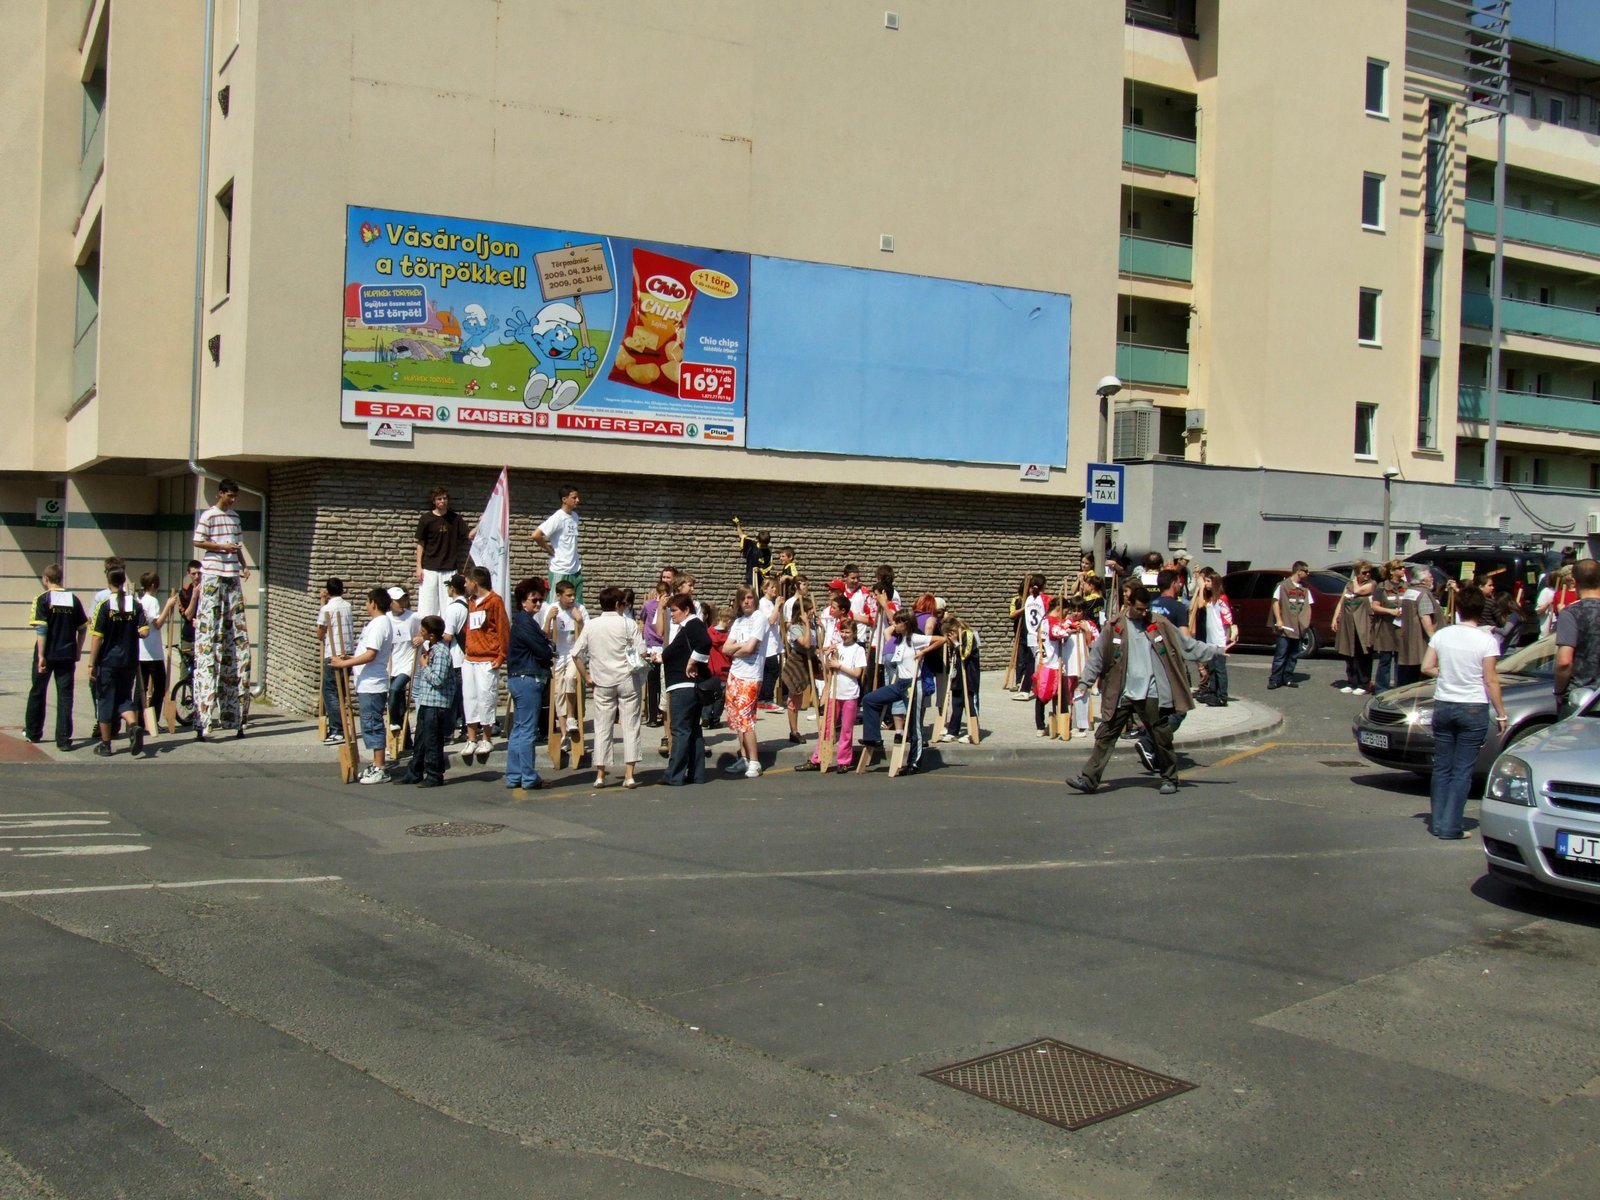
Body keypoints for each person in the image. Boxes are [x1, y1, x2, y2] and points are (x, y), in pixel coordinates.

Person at [1067, 585, 1218, 796]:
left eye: (1147, 608)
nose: (1144, 613)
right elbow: (1097, 656)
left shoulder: (1159, 623)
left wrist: (1215, 650)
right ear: (1129, 605)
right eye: (1140, 609)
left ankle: (1170, 778)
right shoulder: (1115, 626)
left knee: (1161, 736)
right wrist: (1085, 682)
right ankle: (1089, 779)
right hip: (1122, 691)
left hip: (1152, 691)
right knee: (1106, 735)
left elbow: (1185, 644)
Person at [1421, 585, 1506, 841]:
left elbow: (1427, 667)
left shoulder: (1442, 635)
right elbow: (1490, 680)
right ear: (1481, 610)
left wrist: (1447, 673)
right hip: (1472, 705)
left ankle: (1438, 822)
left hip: (1444, 703)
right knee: (1462, 770)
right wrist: (1501, 713)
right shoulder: (1486, 640)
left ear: (1457, 608)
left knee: (1442, 767)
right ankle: (1451, 825)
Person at [191, 477, 252, 738]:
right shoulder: (209, 515)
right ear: (220, 494)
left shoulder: (235, 517)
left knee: (236, 639)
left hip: (231, 574)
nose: (233, 500)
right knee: (210, 638)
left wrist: (243, 564)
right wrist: (220, 546)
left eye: (235, 496)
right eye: (229, 495)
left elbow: (237, 545)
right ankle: (204, 715)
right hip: (214, 573)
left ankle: (234, 715)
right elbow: (198, 541)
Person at [572, 586, 646, 788]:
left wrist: (586, 676)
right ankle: (629, 775)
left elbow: (576, 654)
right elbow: (642, 651)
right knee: (631, 726)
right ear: (617, 604)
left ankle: (600, 774)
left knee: (602, 727)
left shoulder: (592, 625)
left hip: (601, 681)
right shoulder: (628, 624)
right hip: (627, 679)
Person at [860, 610, 945, 774]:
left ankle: (914, 762)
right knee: (869, 699)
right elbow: (887, 631)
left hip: (913, 684)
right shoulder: (898, 640)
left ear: (906, 624)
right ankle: (873, 738)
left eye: (898, 622)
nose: (894, 625)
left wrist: (923, 652)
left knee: (913, 725)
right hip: (899, 683)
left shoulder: (915, 638)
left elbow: (941, 639)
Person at [330, 587, 395, 784]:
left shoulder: (380, 624)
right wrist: (350, 658)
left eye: (367, 602)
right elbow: (366, 653)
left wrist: (345, 664)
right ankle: (376, 764)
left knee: (373, 724)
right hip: (367, 683)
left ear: (373, 603)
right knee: (369, 724)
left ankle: (380, 768)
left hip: (372, 684)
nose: (366, 605)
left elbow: (371, 654)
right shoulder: (377, 623)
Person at [88, 567, 151, 758]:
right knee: (124, 698)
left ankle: (106, 744)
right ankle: (132, 725)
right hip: (129, 660)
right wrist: (136, 632)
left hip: (108, 660)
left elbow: (97, 637)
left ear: (109, 582)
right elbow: (145, 631)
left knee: (105, 700)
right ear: (124, 581)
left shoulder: (105, 606)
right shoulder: (135, 604)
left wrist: (91, 663)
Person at [25, 564, 87, 750]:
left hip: (47, 652)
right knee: (65, 695)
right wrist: (78, 650)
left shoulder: (42, 599)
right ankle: (63, 739)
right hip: (67, 654)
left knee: (38, 691)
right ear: (61, 579)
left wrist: (41, 655)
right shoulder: (73, 599)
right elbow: (83, 628)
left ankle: (33, 732)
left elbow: (41, 629)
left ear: (46, 579)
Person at [503, 578, 554, 794]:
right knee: (527, 731)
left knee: (519, 729)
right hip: (528, 678)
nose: (538, 603)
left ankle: (515, 775)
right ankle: (528, 776)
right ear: (523, 601)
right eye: (534, 600)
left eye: (540, 599)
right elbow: (543, 651)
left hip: (520, 678)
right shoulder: (525, 623)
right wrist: (548, 648)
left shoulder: (524, 621)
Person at [798, 617, 866, 771]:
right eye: (842, 632)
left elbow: (857, 673)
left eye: (847, 632)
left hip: (849, 694)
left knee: (846, 730)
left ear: (854, 633)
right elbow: (827, 670)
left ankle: (844, 761)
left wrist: (839, 665)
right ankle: (818, 759)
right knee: (826, 728)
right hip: (834, 694)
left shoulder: (858, 650)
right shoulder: (837, 647)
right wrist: (827, 657)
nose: (844, 635)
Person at [398, 615, 456, 788]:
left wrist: (424, 666)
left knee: (432, 740)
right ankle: (415, 772)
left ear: (431, 635)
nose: (420, 632)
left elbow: (438, 679)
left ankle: (434, 775)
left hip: (436, 703)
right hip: (426, 700)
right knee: (421, 739)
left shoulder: (441, 652)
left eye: (423, 630)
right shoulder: (431, 649)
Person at [661, 593, 713, 785]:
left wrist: (692, 662)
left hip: (684, 687)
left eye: (674, 610)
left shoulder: (693, 624)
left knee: (680, 730)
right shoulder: (687, 627)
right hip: (688, 686)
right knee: (692, 730)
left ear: (686, 610)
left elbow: (705, 642)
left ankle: (674, 775)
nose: (672, 614)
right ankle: (696, 774)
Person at [460, 566, 509, 765]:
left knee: (486, 698)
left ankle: (486, 738)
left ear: (475, 582)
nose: (465, 585)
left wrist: (501, 655)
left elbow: (503, 628)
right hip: (470, 658)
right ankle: (471, 738)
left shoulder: (495, 601)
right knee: (470, 698)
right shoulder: (471, 602)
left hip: (487, 658)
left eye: (467, 581)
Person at [722, 585, 769, 778]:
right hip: (735, 674)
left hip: (751, 675)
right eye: (743, 599)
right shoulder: (738, 622)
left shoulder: (759, 618)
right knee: (736, 720)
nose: (746, 602)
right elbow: (725, 649)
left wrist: (737, 649)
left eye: (749, 598)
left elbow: (751, 649)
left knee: (746, 719)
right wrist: (740, 646)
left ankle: (755, 761)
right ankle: (744, 758)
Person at [542, 580, 588, 754]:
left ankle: (570, 717)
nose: (572, 598)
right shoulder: (553, 608)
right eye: (568, 595)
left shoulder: (580, 609)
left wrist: (580, 621)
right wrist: (549, 618)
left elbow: (587, 635)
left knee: (570, 678)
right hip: (558, 655)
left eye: (573, 595)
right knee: (558, 692)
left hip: (574, 653)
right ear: (559, 596)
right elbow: (545, 635)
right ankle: (564, 735)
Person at [414, 486, 471, 618]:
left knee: (449, 606)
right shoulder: (426, 519)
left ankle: (448, 630)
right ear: (434, 501)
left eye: (444, 498)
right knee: (427, 607)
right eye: (439, 499)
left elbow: (468, 536)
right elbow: (420, 543)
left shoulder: (455, 519)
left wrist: (481, 525)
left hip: (449, 568)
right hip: (429, 568)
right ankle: (427, 630)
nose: (442, 501)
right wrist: (418, 567)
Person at [1553, 558, 1600, 715]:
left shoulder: (1571, 613)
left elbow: (1564, 662)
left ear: (1573, 581)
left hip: (1580, 698)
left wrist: (1559, 691)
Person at [136, 572, 178, 737]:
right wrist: (168, 606)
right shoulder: (152, 601)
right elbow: (158, 624)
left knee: (142, 688)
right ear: (153, 585)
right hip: (153, 652)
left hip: (141, 651)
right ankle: (151, 721)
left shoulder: (139, 600)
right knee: (160, 687)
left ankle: (139, 721)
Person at [1191, 569, 1236, 707]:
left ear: (1215, 583)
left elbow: (1227, 619)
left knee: (1220, 669)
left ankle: (1222, 696)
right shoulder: (1211, 599)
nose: (1206, 583)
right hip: (1211, 640)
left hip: (1219, 640)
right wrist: (1200, 589)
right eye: (1205, 581)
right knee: (1212, 668)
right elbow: (1200, 604)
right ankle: (1213, 692)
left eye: (1208, 581)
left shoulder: (1222, 599)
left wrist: (1226, 638)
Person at [317, 578, 353, 745]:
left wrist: (324, 602)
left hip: (333, 653)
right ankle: (340, 726)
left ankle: (338, 730)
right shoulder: (348, 606)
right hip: (348, 653)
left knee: (330, 692)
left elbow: (320, 634)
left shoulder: (327, 608)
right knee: (341, 693)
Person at [935, 614, 981, 743]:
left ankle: (974, 732)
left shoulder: (969, 634)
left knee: (970, 704)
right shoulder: (954, 638)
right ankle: (952, 731)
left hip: (969, 675)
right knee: (957, 704)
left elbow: (965, 654)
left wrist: (955, 643)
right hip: (958, 675)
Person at [1331, 561, 1375, 695]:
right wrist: (1335, 618)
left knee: (1363, 654)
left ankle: (1364, 683)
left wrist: (1355, 581)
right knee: (1349, 653)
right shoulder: (1349, 585)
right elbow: (1341, 602)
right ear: (1357, 573)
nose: (1367, 575)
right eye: (1364, 572)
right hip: (1348, 624)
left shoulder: (1371, 584)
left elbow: (1358, 591)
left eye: (1369, 572)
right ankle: (1352, 681)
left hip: (1363, 624)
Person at [533, 484, 582, 603]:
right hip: (560, 568)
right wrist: (549, 549)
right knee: (556, 604)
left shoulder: (575, 516)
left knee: (576, 604)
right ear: (564, 499)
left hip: (575, 569)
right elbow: (536, 535)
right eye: (574, 498)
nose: (577, 500)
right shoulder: (557, 517)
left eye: (577, 497)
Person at [1267, 561, 1312, 690]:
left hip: (1298, 628)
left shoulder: (1305, 588)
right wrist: (1279, 620)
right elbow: (1275, 602)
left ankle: (1288, 678)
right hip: (1285, 627)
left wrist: (1305, 623)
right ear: (1298, 571)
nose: (1308, 573)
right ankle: (1275, 679)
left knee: (1293, 655)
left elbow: (1308, 606)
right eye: (1306, 571)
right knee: (1281, 654)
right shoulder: (1282, 586)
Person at [386, 586, 419, 741]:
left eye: (403, 599)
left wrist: (422, 638)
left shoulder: (413, 617)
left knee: (394, 689)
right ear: (390, 602)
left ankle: (394, 722)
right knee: (399, 702)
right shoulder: (386, 619)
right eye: (398, 601)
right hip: (392, 664)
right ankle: (405, 742)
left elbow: (429, 627)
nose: (402, 603)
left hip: (408, 663)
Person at [736, 523, 773, 587]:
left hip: (761, 581)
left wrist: (760, 570)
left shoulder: (767, 552)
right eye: (762, 545)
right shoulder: (751, 545)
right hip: (750, 577)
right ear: (758, 540)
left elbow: (767, 567)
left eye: (765, 545)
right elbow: (742, 536)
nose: (763, 546)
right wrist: (738, 524)